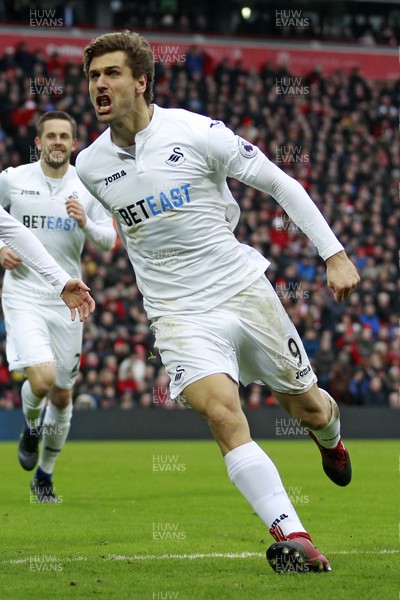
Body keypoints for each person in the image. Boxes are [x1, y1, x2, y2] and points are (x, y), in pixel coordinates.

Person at [76, 31, 360, 572]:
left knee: (306, 405)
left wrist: (334, 254)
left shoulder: (197, 132)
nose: (99, 85)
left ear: (141, 80)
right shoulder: (91, 165)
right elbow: (96, 230)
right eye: (92, 76)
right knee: (222, 413)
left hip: (242, 291)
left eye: (111, 73)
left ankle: (330, 435)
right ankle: (293, 534)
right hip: (178, 314)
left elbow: (279, 183)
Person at [0, 111, 116, 503]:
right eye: (50, 135)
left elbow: (109, 240)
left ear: (73, 142)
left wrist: (86, 222)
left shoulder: (86, 185)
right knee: (44, 381)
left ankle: (45, 475)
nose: (57, 142)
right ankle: (32, 426)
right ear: (38, 142)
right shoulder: (13, 179)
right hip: (22, 295)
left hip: (68, 302)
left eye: (64, 136)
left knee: (63, 395)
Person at [0, 203, 95, 321]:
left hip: (56, 302)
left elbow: (12, 232)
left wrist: (62, 281)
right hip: (21, 292)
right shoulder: (10, 184)